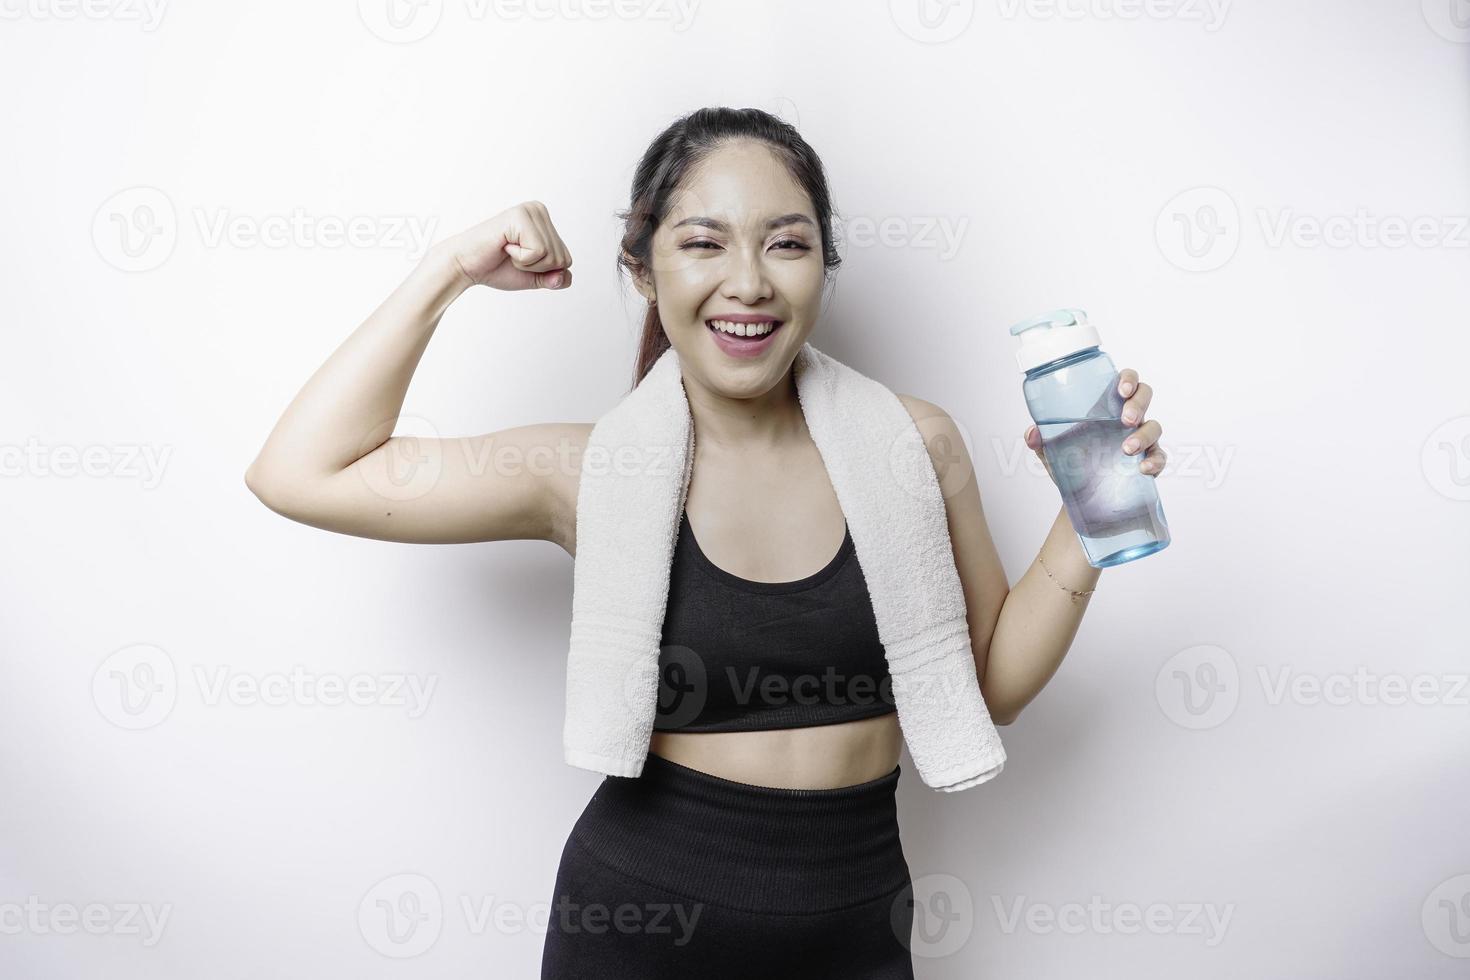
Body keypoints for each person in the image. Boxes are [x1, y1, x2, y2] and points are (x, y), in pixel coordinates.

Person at [244, 106, 1167, 979]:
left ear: (823, 266)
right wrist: (448, 269)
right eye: (702, 243)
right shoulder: (586, 470)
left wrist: (1091, 512)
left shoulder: (915, 443)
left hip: (858, 928)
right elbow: (300, 471)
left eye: (788, 243)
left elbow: (993, 689)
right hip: (641, 926)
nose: (751, 281)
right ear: (644, 270)